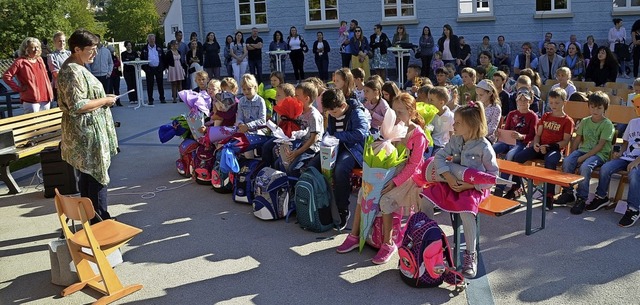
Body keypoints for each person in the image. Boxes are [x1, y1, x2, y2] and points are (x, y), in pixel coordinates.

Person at [337, 92, 426, 265]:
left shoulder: (417, 135)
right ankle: (354, 235)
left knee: (385, 200)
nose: (396, 116)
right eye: (394, 111)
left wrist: (394, 182)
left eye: (400, 112)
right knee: (365, 192)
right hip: (390, 171)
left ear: (412, 112)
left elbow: (413, 165)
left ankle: (388, 243)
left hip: (408, 178)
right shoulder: (394, 127)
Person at [420, 101, 498, 278]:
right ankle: (431, 243)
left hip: (473, 188)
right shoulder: (455, 139)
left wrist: (470, 185)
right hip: (452, 182)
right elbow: (438, 157)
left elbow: (492, 176)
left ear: (471, 124)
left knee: (466, 212)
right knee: (425, 198)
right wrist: (447, 175)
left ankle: (470, 255)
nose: (453, 125)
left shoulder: (484, 147)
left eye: (457, 122)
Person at [57, 29, 119, 222]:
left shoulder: (78, 66)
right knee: (96, 177)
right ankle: (100, 220)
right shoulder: (72, 71)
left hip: (88, 133)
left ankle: (92, 217)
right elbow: (78, 105)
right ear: (77, 49)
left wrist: (103, 99)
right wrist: (104, 100)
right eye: (91, 49)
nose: (95, 53)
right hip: (86, 135)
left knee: (89, 177)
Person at [307, 88, 369, 230]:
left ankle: (342, 210)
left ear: (342, 105)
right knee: (313, 166)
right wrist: (326, 138)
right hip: (334, 147)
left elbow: (361, 133)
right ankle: (320, 204)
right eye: (330, 112)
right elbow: (330, 131)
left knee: (340, 170)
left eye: (334, 112)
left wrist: (336, 137)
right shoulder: (333, 111)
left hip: (353, 150)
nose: (332, 115)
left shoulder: (357, 112)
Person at [508, 88, 574, 204]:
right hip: (539, 147)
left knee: (550, 161)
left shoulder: (568, 121)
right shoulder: (546, 116)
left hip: (554, 149)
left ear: (565, 102)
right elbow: (538, 134)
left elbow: (565, 141)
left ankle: (549, 195)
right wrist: (537, 144)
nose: (553, 105)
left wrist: (549, 147)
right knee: (518, 157)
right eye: (551, 102)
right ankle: (516, 187)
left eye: (557, 103)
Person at [554, 91, 615, 213]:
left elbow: (600, 145)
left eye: (599, 108)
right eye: (592, 107)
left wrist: (583, 158)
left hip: (599, 154)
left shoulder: (607, 124)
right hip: (583, 150)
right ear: (589, 107)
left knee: (585, 167)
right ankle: (568, 192)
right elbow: (577, 140)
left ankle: (582, 198)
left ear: (605, 108)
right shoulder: (585, 121)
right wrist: (572, 154)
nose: (595, 110)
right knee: (567, 161)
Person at [586, 96, 640, 227]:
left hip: (638, 161)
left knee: (633, 174)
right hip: (627, 157)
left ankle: (633, 209)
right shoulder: (633, 122)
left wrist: (636, 161)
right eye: (637, 108)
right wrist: (619, 153)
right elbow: (626, 143)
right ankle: (602, 197)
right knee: (606, 168)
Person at [493, 87, 538, 197]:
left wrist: (521, 137)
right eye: (520, 100)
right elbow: (507, 129)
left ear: (530, 101)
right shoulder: (512, 114)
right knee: (491, 149)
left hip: (520, 143)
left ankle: (500, 186)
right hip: (506, 141)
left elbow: (532, 135)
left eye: (525, 100)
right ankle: (487, 179)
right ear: (516, 101)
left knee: (510, 155)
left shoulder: (533, 116)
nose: (522, 102)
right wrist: (499, 133)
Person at [280, 82, 323, 177]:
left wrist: (296, 153)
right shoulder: (299, 111)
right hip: (299, 144)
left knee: (292, 169)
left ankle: (298, 189)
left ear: (306, 99)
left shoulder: (313, 116)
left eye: (297, 96)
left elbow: (313, 139)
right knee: (279, 163)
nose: (294, 98)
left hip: (311, 148)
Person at [2, 37, 53, 113]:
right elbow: (6, 76)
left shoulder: (39, 59)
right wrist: (18, 88)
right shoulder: (20, 62)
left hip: (45, 97)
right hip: (31, 100)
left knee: (45, 123)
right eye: (33, 47)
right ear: (26, 49)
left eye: (37, 47)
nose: (36, 49)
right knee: (33, 123)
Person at [427, 86, 455, 156]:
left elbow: (452, 134)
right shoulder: (430, 114)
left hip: (442, 144)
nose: (429, 102)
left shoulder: (451, 116)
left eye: (431, 100)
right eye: (428, 99)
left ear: (441, 102)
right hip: (430, 143)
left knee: (436, 156)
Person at [140, 34, 166, 105]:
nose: (152, 40)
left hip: (158, 69)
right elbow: (142, 59)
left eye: (153, 39)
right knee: (150, 85)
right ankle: (150, 100)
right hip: (149, 69)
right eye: (150, 39)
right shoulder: (144, 48)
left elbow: (163, 58)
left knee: (160, 84)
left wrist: (163, 68)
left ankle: (162, 98)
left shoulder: (159, 47)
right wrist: (145, 69)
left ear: (155, 39)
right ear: (148, 40)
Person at [47, 31, 71, 102]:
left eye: (63, 41)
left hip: (72, 84)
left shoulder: (70, 54)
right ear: (55, 43)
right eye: (59, 41)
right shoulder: (52, 56)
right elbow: (55, 73)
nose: (62, 43)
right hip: (61, 86)